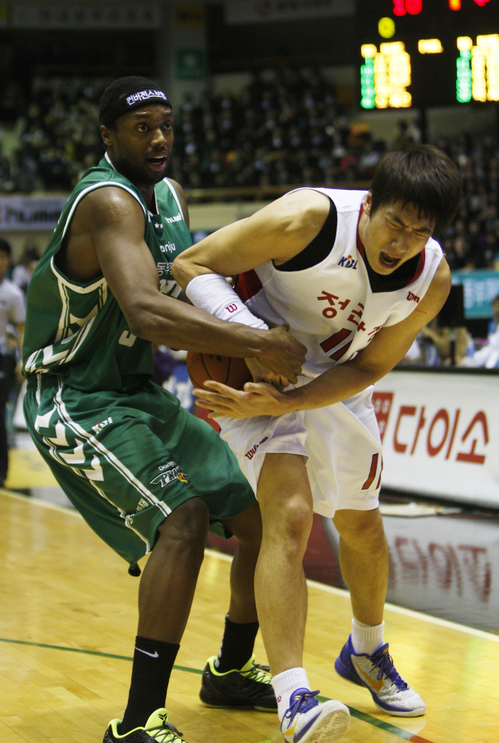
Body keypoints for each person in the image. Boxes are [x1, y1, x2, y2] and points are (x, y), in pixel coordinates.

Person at [21, 77, 311, 743]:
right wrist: (253, 341)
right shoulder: (107, 202)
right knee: (180, 521)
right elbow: (148, 312)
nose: (157, 138)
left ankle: (228, 671)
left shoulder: (171, 196)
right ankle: (135, 722)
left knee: (259, 519)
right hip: (72, 395)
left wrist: (254, 315)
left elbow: (196, 278)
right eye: (140, 127)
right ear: (106, 136)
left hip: (136, 393)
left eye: (165, 125)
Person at [172, 145, 462, 723]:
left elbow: (369, 367)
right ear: (370, 205)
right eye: (394, 223)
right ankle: (294, 695)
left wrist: (295, 397)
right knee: (293, 514)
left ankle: (367, 649)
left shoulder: (431, 279)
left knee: (361, 526)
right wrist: (254, 339)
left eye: (418, 232)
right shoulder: (308, 218)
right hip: (251, 363)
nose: (401, 242)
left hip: (333, 381)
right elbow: (191, 265)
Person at [0, 237, 25, 486]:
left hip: (3, 359)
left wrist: (22, 360)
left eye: (2, 257)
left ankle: (2, 472)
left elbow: (22, 329)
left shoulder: (13, 294)